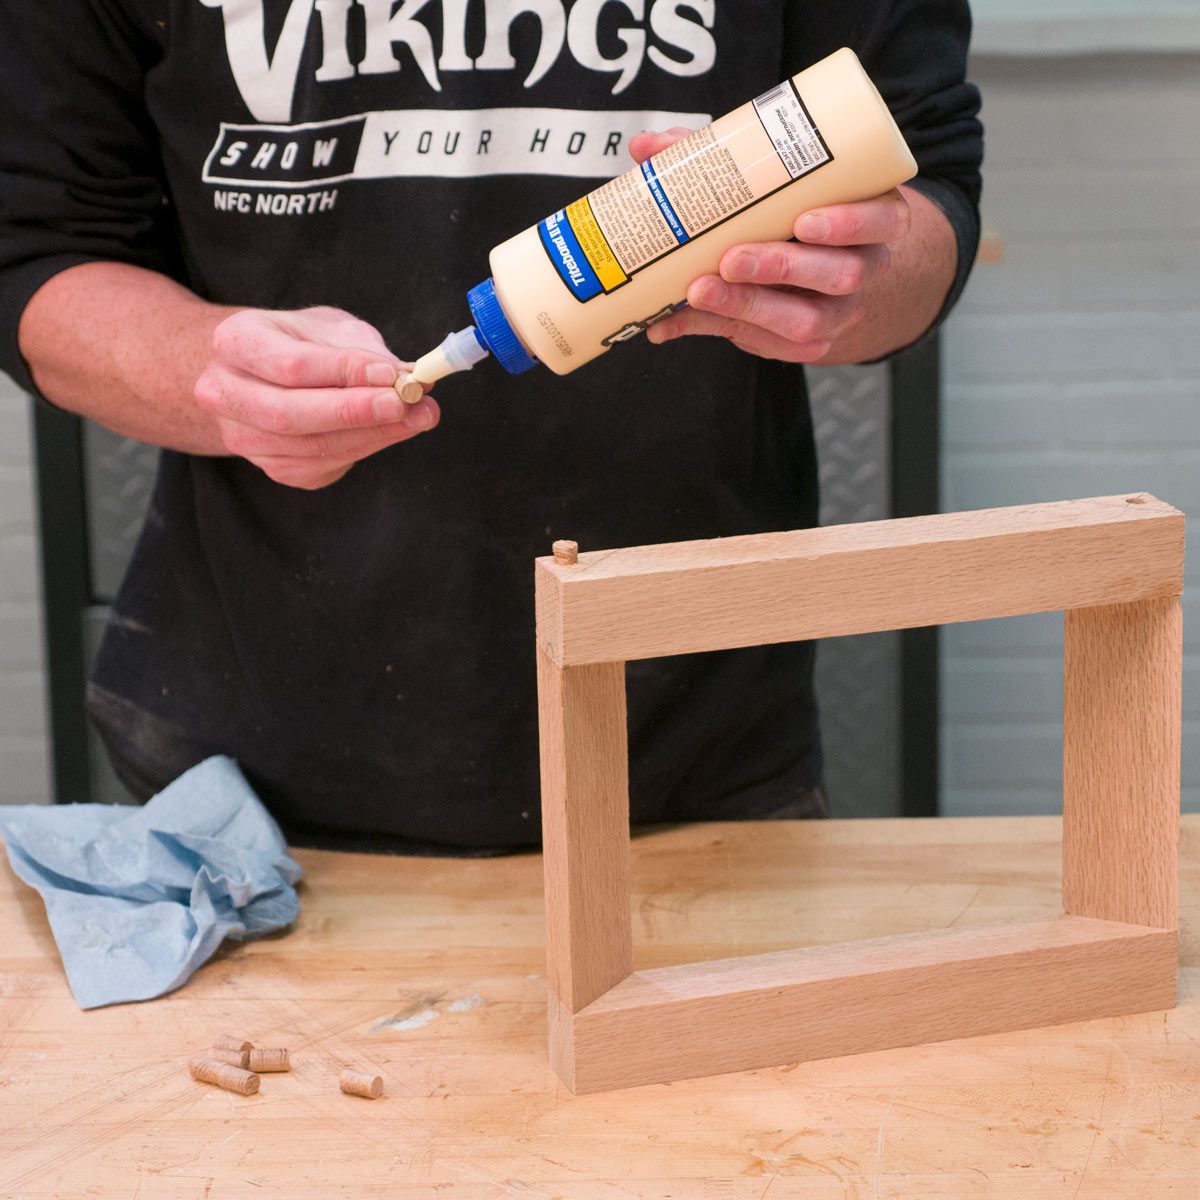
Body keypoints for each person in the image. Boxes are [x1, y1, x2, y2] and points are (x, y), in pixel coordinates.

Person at [0, 0, 982, 853]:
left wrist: (876, 277)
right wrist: (209, 368)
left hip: (695, 759)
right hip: (252, 787)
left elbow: (928, 180)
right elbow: (34, 250)